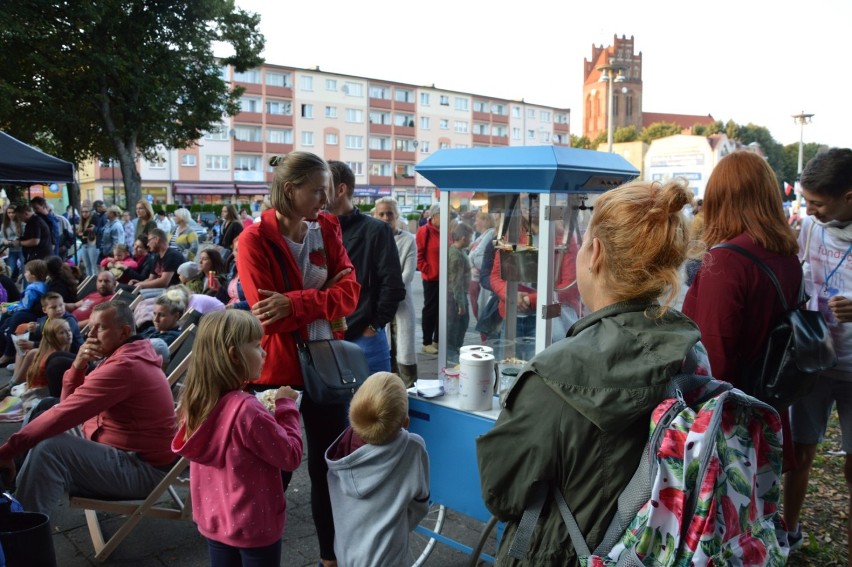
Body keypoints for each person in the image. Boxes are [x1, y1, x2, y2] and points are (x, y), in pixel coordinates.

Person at [477, 179, 702, 566]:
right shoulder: (692, 351)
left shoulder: (554, 375)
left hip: (562, 552)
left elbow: (500, 492)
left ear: (594, 252)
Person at [237, 152, 359, 567]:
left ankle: (330, 557)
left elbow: (352, 294)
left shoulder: (326, 226)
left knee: (329, 468)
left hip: (326, 364)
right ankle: (251, 550)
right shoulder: (253, 240)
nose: (327, 199)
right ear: (291, 190)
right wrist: (321, 301)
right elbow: (266, 317)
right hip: (277, 371)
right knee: (274, 472)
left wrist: (293, 303)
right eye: (318, 190)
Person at [0, 301, 177, 516]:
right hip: (116, 448)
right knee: (45, 406)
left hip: (142, 470)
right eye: (90, 326)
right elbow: (67, 403)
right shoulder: (122, 354)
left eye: (100, 327)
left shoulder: (125, 367)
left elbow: (65, 414)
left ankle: (21, 531)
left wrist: (8, 450)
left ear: (124, 332)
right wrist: (78, 365)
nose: (89, 334)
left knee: (51, 449)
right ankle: (11, 485)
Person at [682, 151, 801, 471]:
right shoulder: (786, 254)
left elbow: (713, 359)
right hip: (769, 407)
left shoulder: (726, 260)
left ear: (722, 198)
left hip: (733, 422)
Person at [172, 310, 303, 566]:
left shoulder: (195, 402)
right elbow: (291, 455)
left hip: (214, 520)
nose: (264, 353)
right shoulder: (247, 410)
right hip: (255, 526)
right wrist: (286, 406)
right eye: (256, 346)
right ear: (234, 355)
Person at [782, 147, 852, 554]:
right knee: (801, 451)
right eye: (806, 201)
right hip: (814, 360)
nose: (809, 210)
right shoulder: (809, 228)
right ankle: (789, 531)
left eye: (817, 203)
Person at [325, 372, 429, 566]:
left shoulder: (340, 451)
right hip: (391, 559)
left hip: (347, 556)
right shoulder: (413, 449)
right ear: (406, 423)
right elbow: (420, 505)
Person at [327, 161, 405, 373]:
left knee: (376, 405)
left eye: (322, 186)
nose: (317, 194)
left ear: (341, 189)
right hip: (324, 339)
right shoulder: (311, 229)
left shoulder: (376, 230)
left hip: (364, 338)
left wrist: (374, 325)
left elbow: (394, 285)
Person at [373, 197, 418, 385]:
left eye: (389, 213)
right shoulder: (372, 239)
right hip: (378, 306)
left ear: (397, 215)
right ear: (375, 215)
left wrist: (387, 293)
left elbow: (406, 276)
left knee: (405, 353)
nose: (385, 217)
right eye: (381, 213)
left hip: (401, 304)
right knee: (385, 354)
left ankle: (409, 393)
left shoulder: (408, 241)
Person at [12, 318, 73, 413]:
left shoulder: (47, 352)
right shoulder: (56, 360)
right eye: (62, 332)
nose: (68, 334)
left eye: (69, 330)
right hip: (41, 395)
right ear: (52, 337)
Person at [416, 203, 441, 354]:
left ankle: (438, 340)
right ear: (435, 216)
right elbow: (419, 255)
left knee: (442, 310)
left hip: (444, 278)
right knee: (430, 309)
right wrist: (427, 270)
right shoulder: (424, 231)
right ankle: (427, 341)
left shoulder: (445, 231)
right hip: (431, 278)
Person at [447, 222, 473, 362]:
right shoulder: (457, 255)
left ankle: (454, 350)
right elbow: (456, 282)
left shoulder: (459, 251)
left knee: (460, 324)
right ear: (463, 238)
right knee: (456, 326)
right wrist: (461, 304)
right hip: (456, 296)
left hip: (458, 294)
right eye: (469, 237)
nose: (470, 240)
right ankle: (452, 353)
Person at [468, 211, 496, 320]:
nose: (475, 223)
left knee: (480, 312)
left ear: (485, 221)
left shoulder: (489, 234)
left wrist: (470, 260)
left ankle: (485, 336)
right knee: (478, 311)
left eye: (477, 220)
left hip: (479, 280)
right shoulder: (481, 236)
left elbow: (476, 258)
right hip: (475, 279)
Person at [1, 205, 24, 280]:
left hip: (22, 249)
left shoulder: (22, 223)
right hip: (11, 250)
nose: (11, 214)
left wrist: (13, 240)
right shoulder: (4, 224)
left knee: (25, 271)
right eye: (9, 213)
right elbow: (1, 236)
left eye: (13, 212)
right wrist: (4, 240)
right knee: (9, 270)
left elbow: (24, 235)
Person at [77, 205, 100, 277]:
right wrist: (82, 234)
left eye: (86, 212)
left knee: (94, 266)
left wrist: (83, 234)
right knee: (87, 266)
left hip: (92, 245)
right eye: (83, 212)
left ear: (90, 212)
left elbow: (88, 232)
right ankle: (89, 282)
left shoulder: (94, 219)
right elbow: (79, 234)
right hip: (84, 245)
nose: (84, 213)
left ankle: (95, 282)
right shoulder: (81, 221)